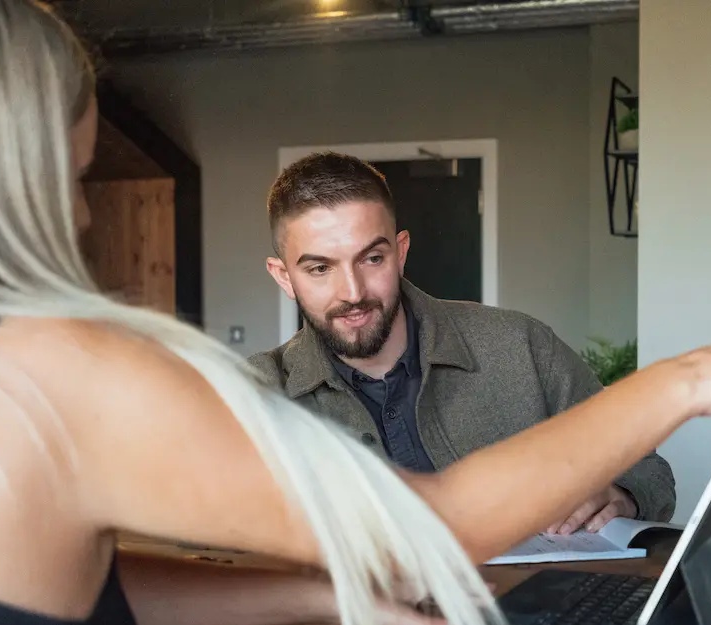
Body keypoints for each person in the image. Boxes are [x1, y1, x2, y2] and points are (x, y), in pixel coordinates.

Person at [0, 1, 711, 625]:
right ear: (3, 172)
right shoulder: (43, 376)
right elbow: (442, 521)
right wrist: (690, 379)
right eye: (76, 176)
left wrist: (329, 594)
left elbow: (65, 590)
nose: (82, 214)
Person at [250, 152, 676, 532]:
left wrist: (624, 495)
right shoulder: (252, 395)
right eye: (320, 269)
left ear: (401, 252)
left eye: (372, 258)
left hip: (528, 614)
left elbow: (645, 466)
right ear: (284, 276)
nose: (353, 292)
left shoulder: (520, 345)